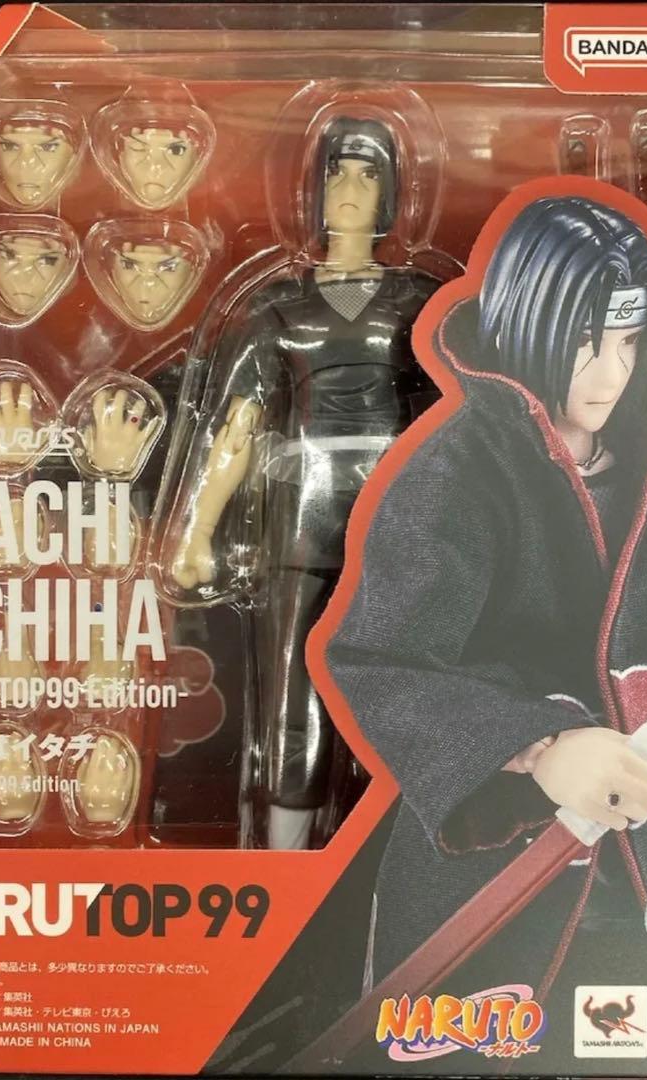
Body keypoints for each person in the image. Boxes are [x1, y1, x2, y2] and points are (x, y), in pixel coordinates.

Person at [325, 195, 647, 1068]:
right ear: (527, 325)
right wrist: (536, 745)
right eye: (583, 341)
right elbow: (382, 661)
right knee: (471, 1042)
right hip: (506, 836)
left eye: (629, 342)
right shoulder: (458, 474)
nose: (608, 373)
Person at [170, 116, 440, 849]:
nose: (348, 189)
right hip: (300, 520)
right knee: (293, 697)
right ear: (311, 192)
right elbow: (238, 428)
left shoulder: (420, 301)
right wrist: (197, 531)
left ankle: (392, 848)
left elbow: (467, 414)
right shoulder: (277, 307)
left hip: (399, 520)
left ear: (390, 193)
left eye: (367, 174)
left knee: (405, 685)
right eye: (335, 173)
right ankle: (286, 858)